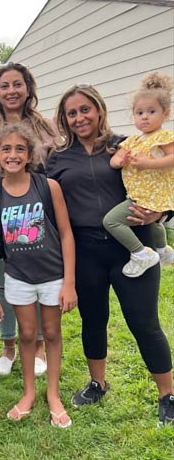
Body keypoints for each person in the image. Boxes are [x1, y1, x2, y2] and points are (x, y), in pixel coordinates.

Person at [47, 83, 174, 426]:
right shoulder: (57, 160)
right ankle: (98, 383)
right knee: (94, 319)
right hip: (87, 251)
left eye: (85, 109)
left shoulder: (127, 145)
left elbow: (165, 178)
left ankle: (168, 395)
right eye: (71, 113)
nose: (79, 118)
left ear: (99, 110)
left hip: (133, 246)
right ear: (64, 118)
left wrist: (160, 215)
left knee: (143, 322)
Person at [0, 123, 77, 427]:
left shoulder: (48, 187)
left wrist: (70, 283)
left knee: (50, 333)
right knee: (25, 334)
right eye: (6, 149)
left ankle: (53, 394)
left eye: (19, 148)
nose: (13, 154)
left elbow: (66, 235)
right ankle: (28, 393)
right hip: (18, 277)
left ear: (29, 154)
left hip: (52, 276)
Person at [0, 62, 57, 377]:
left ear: (28, 88)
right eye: (4, 86)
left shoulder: (46, 127)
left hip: (37, 215)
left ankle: (36, 346)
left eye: (17, 84)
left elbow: (58, 165)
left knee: (35, 278)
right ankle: (8, 345)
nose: (11, 91)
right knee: (4, 282)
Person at [103, 72, 174, 277]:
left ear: (165, 113)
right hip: (139, 194)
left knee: (112, 222)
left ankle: (141, 254)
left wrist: (149, 164)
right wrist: (121, 161)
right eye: (139, 112)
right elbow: (114, 161)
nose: (145, 116)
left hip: (151, 196)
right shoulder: (132, 141)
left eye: (151, 111)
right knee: (152, 223)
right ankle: (163, 250)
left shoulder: (164, 137)